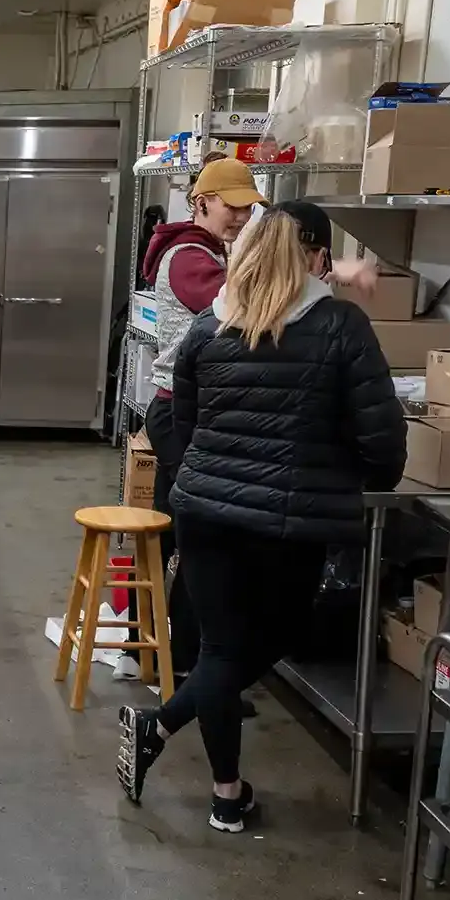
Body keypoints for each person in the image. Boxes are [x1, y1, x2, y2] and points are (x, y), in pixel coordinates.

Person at [118, 201, 407, 833]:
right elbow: (382, 444)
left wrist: (215, 474)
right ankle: (163, 732)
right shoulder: (340, 328)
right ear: (317, 258)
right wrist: (352, 484)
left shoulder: (209, 327)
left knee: (220, 650)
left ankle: (226, 793)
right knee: (263, 645)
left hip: (204, 512)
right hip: (287, 523)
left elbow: (185, 423)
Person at [138, 158, 262, 685]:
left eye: (246, 207)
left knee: (176, 535)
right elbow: (236, 305)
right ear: (201, 201)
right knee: (196, 543)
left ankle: (156, 653)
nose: (238, 215)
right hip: (182, 412)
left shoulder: (210, 251)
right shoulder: (190, 256)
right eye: (231, 205)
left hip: (187, 409)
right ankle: (183, 662)